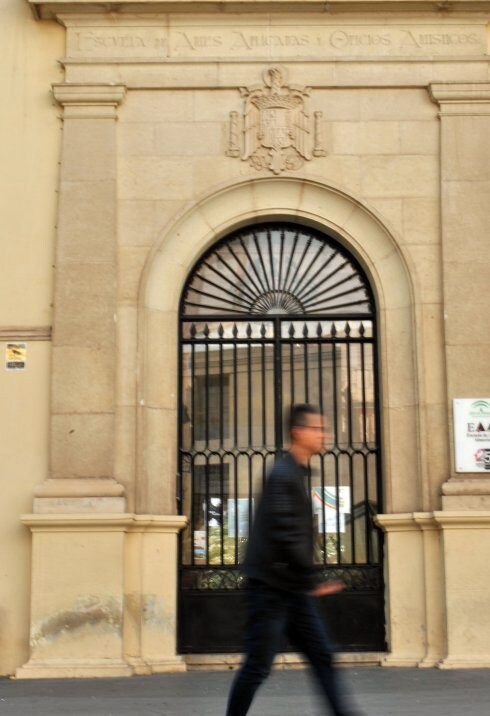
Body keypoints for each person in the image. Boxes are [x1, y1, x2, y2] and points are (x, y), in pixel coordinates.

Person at [225, 404, 363, 716]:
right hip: (271, 590)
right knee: (258, 667)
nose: (323, 434)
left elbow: (291, 534)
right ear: (297, 432)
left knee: (322, 657)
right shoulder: (283, 476)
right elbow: (285, 534)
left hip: (292, 590)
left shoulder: (294, 474)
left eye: (324, 429)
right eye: (317, 428)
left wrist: (307, 581)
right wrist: (313, 579)